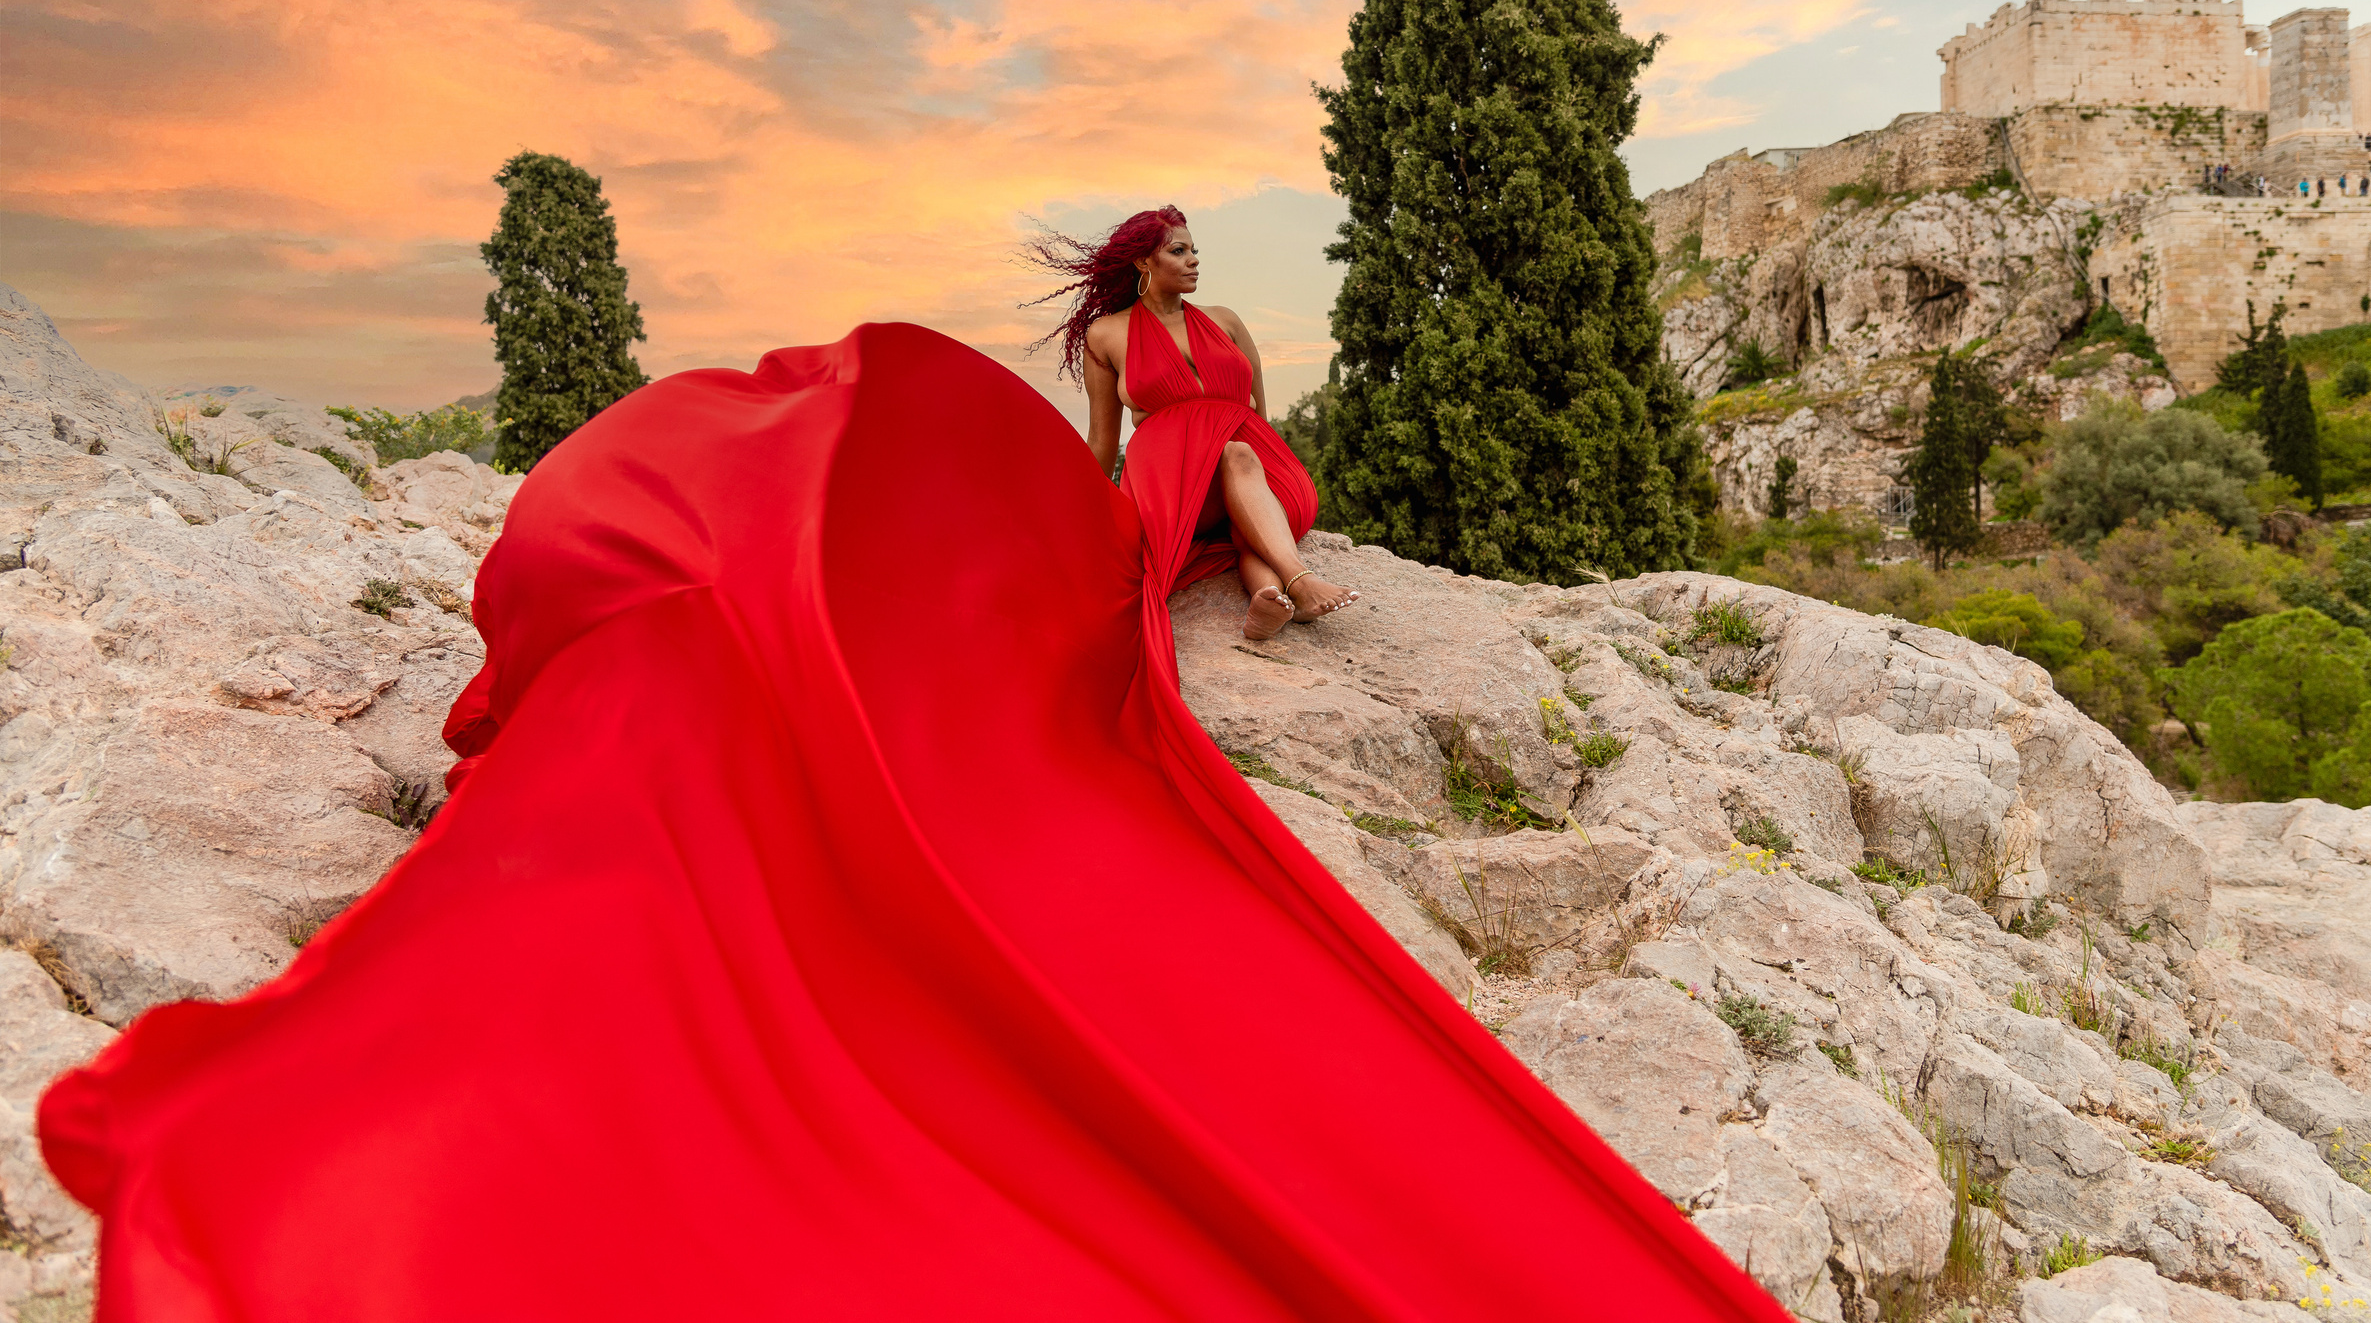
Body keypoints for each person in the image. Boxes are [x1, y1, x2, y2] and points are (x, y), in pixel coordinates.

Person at [40, 290, 1783, 1320]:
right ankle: (1256, 569)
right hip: (953, 558)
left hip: (1134, 488)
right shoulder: (1077, 350)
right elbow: (1091, 435)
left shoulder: (1198, 334)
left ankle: (1255, 559)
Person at [1031, 206, 1356, 641]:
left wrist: (1266, 474)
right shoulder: (1107, 335)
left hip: (1254, 473)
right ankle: (1301, 579)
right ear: (1143, 261)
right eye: (1178, 251)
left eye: (1194, 250)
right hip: (1174, 485)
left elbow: (1259, 411)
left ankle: (1269, 596)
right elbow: (1102, 440)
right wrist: (1079, 514)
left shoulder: (1226, 320)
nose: (1194, 259)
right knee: (1237, 457)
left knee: (1241, 467)